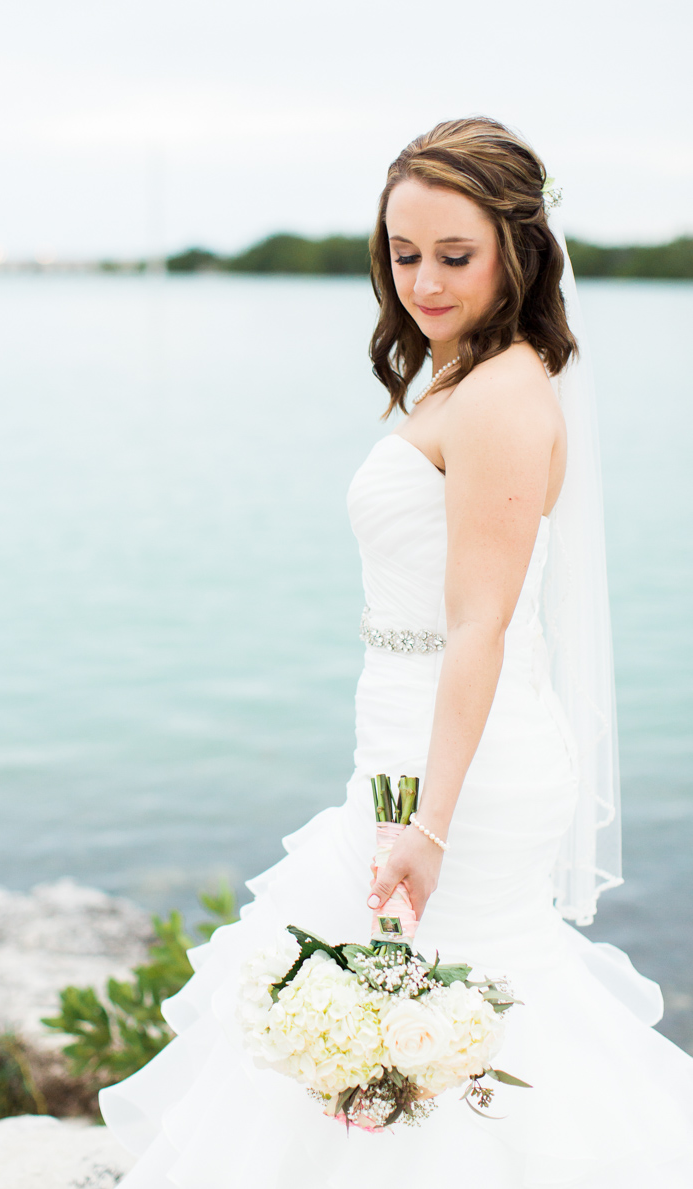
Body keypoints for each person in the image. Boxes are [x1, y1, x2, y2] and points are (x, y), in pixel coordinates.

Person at [99, 117, 693, 1187]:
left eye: (452, 255)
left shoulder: (505, 394)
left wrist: (427, 822)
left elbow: (481, 623)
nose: (421, 280)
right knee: (413, 1021)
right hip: (413, 738)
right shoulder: (466, 376)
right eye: (402, 252)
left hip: (460, 762)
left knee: (443, 1015)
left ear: (518, 246)